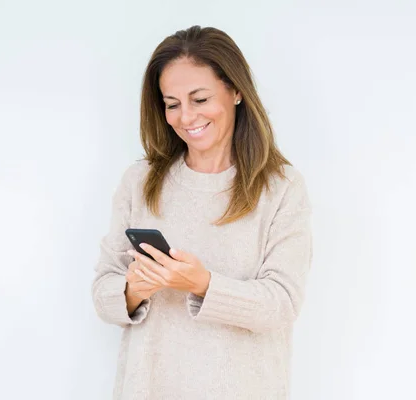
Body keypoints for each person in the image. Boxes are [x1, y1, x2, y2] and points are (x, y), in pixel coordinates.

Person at [91, 25, 313, 400]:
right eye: (172, 104)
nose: (186, 117)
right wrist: (132, 291)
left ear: (236, 91)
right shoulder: (141, 180)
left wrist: (202, 284)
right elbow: (102, 294)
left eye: (200, 99)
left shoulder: (281, 187)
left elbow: (282, 304)